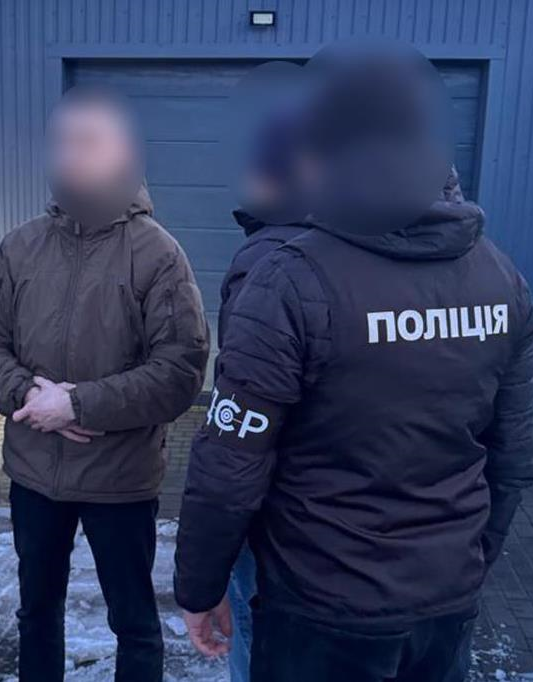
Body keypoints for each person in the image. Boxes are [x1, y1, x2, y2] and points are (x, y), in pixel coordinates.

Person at [175, 44, 533, 682]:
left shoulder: (291, 278)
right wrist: (469, 560)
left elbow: (230, 463)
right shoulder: (501, 277)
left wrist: (199, 587)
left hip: (321, 609)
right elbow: (511, 456)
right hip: (444, 604)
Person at [0, 87, 209, 682]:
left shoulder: (158, 255)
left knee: (134, 623)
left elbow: (181, 370)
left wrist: (79, 404)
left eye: (89, 142)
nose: (73, 156)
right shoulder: (22, 246)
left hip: (119, 480)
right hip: (34, 476)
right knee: (36, 614)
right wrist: (28, 395)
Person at [219, 107, 312, 682]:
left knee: (255, 633)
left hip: (277, 512)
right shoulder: (368, 246)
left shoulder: (264, 261)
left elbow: (241, 415)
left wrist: (203, 565)